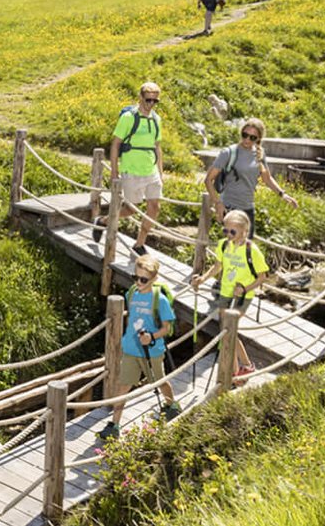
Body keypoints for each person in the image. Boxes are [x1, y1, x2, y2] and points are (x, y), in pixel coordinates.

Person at [99, 254, 184, 441]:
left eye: (143, 279)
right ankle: (114, 424)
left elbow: (166, 328)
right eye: (135, 277)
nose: (138, 282)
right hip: (131, 349)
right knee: (123, 386)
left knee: (160, 381)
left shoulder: (159, 300)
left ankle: (172, 405)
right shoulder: (132, 294)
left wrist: (151, 336)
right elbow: (131, 318)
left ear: (154, 279)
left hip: (152, 351)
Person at [190, 212, 271, 377]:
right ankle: (245, 366)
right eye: (225, 231)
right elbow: (218, 266)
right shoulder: (223, 245)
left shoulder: (252, 251)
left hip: (242, 297)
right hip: (225, 293)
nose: (228, 235)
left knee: (227, 330)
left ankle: (233, 372)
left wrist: (245, 289)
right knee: (227, 331)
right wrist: (202, 278)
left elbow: (263, 277)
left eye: (232, 232)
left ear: (244, 231)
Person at [203, 118, 300, 232]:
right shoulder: (228, 153)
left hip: (248, 209)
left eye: (252, 137)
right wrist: (218, 203)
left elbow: (267, 179)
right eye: (245, 135)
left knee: (246, 248)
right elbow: (208, 180)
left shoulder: (259, 154)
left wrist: (282, 194)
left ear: (258, 138)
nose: (247, 139)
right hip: (229, 208)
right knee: (229, 247)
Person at [110, 82, 165, 256]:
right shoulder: (128, 118)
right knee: (132, 209)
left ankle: (139, 243)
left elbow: (157, 146)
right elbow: (115, 144)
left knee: (154, 207)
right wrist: (114, 171)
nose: (151, 104)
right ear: (140, 98)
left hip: (151, 170)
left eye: (155, 101)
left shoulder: (156, 119)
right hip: (131, 169)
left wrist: (161, 173)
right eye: (148, 100)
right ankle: (104, 220)